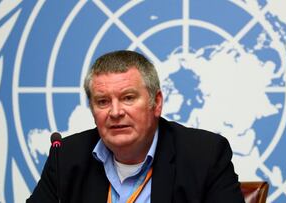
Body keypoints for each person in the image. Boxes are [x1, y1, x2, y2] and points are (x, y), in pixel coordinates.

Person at [27, 50, 245, 203]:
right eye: (103, 101)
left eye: (128, 98)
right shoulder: (66, 157)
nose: (115, 112)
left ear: (156, 103)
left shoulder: (204, 155)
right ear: (93, 110)